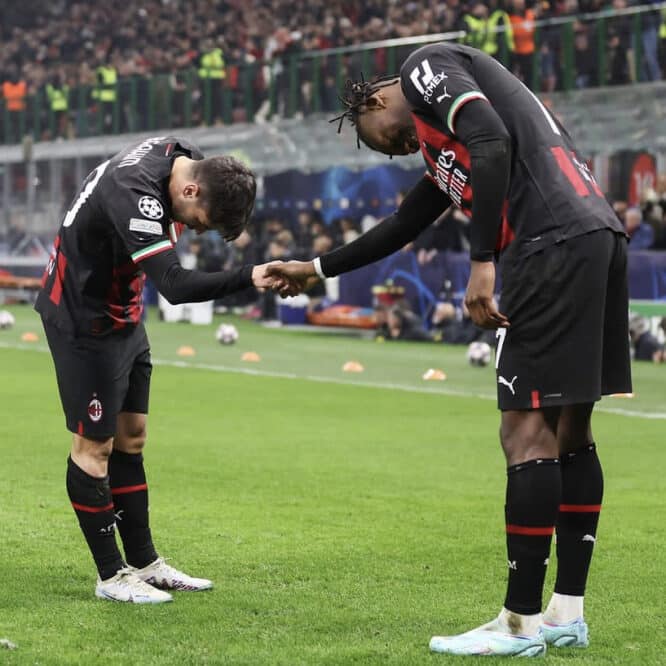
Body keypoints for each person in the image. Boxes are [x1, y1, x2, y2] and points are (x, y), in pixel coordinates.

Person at [268, 42, 632, 656]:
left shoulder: (424, 67)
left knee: (524, 433)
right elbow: (406, 223)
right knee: (571, 432)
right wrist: (317, 267)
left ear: (379, 99)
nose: (397, 148)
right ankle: (565, 611)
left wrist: (483, 262)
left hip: (548, 243)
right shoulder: (445, 144)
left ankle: (518, 624)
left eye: (384, 138)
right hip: (594, 232)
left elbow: (491, 142)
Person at [35, 135, 290, 604]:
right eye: (197, 222)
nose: (191, 230)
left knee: (130, 439)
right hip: (82, 318)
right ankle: (111, 576)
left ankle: (145, 564)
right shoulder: (135, 192)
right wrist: (249, 276)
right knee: (95, 447)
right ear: (190, 192)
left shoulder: (179, 153)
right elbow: (173, 284)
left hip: (124, 315)